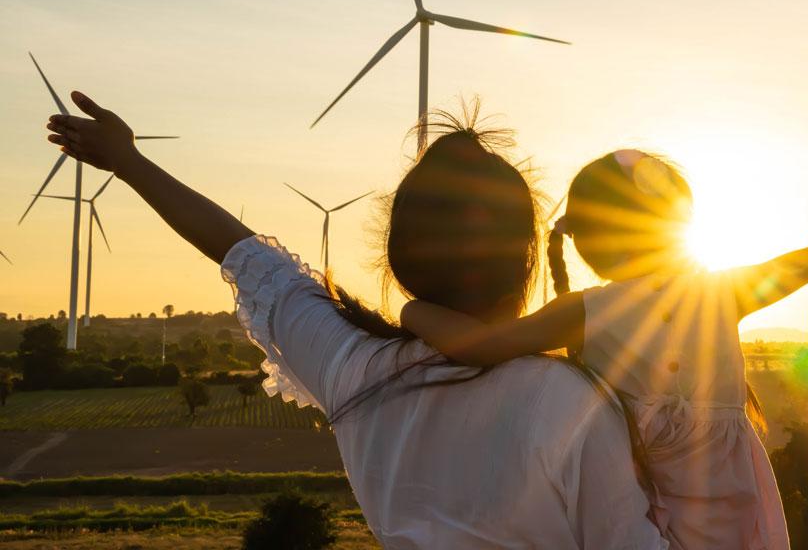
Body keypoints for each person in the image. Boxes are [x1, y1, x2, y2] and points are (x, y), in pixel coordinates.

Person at [45, 93, 667, 550]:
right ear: (525, 257)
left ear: (400, 255)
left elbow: (241, 252)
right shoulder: (569, 402)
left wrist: (128, 161)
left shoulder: (355, 370)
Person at [401, 149, 808, 549]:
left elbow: (484, 346)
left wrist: (411, 312)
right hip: (723, 509)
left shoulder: (589, 311)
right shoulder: (719, 292)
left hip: (650, 510)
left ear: (590, 241)